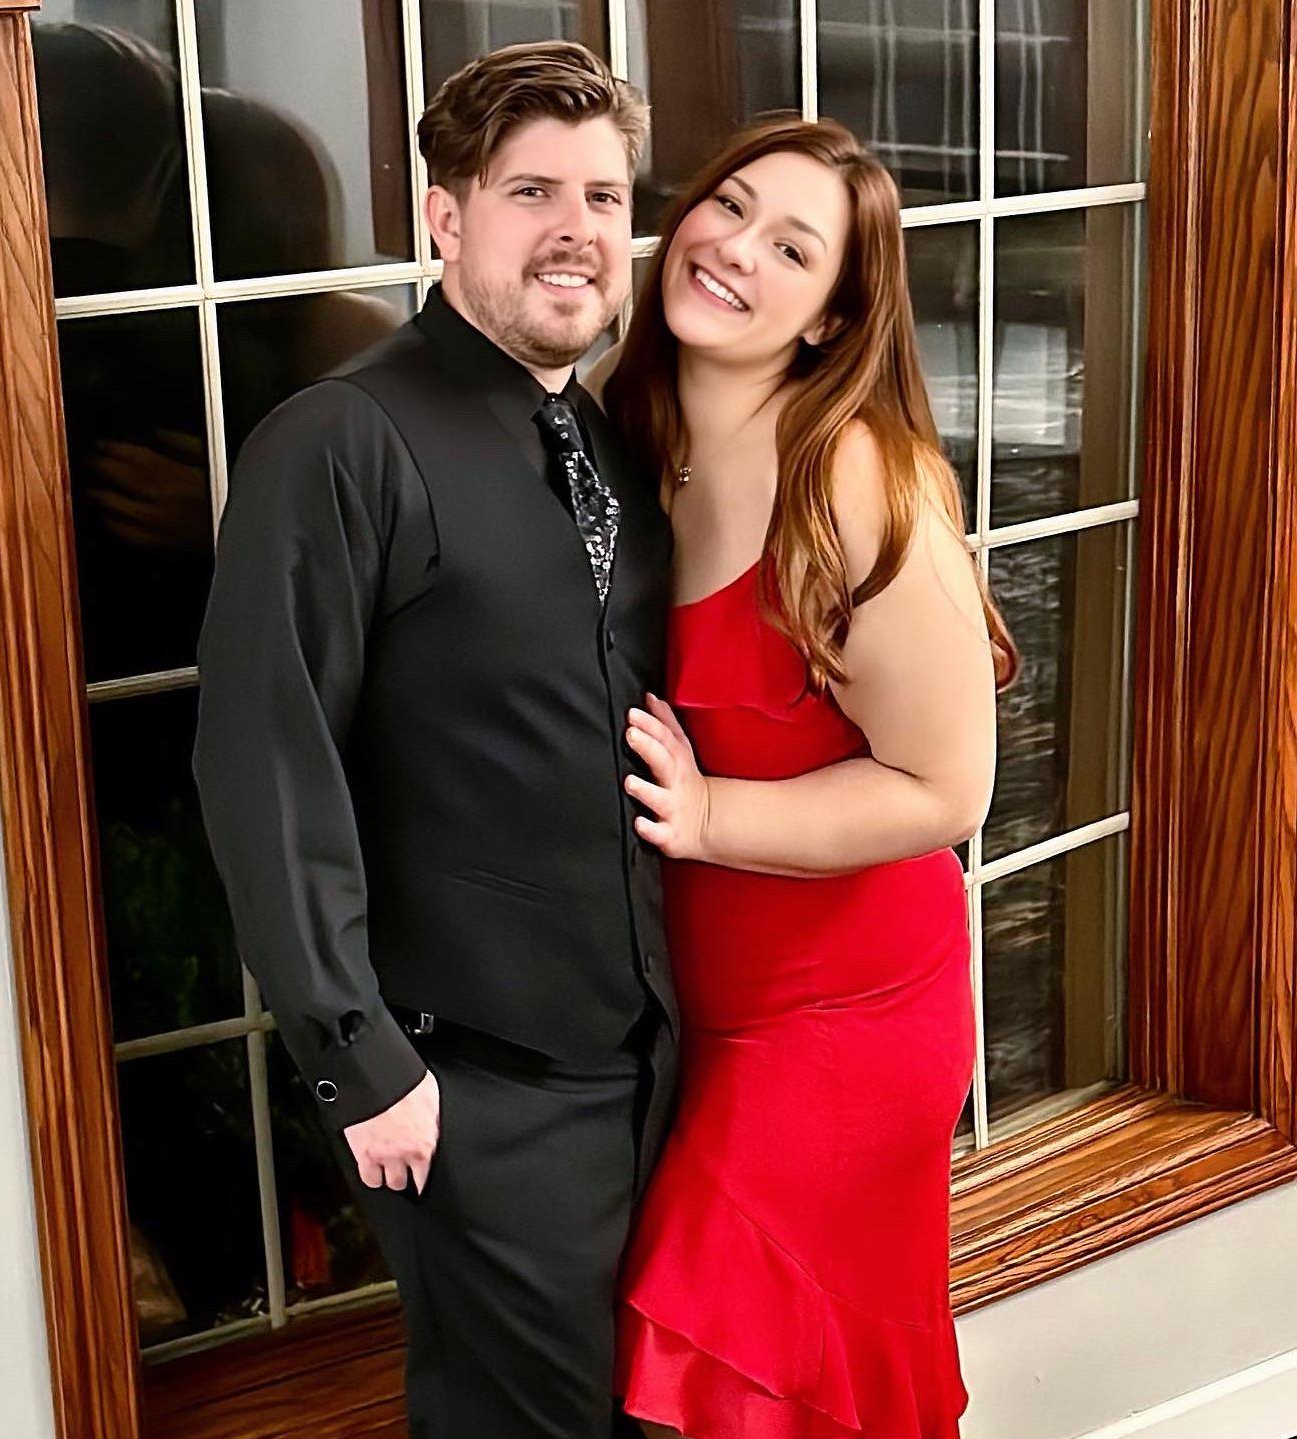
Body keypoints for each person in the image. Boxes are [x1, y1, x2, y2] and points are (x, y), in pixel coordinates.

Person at [191, 41, 678, 1439]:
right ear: (445, 217)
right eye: (532, 192)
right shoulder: (337, 441)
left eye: (602, 196)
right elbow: (265, 761)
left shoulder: (603, 441)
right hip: (469, 1085)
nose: (576, 229)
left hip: (647, 1067)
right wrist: (360, 1061)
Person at [591, 117, 1019, 1438]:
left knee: (721, 1370)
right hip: (694, 1011)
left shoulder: (853, 479)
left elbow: (949, 789)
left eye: (792, 248)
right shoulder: (624, 430)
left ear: (833, 317)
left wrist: (713, 813)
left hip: (847, 1013)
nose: (734, 249)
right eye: (728, 207)